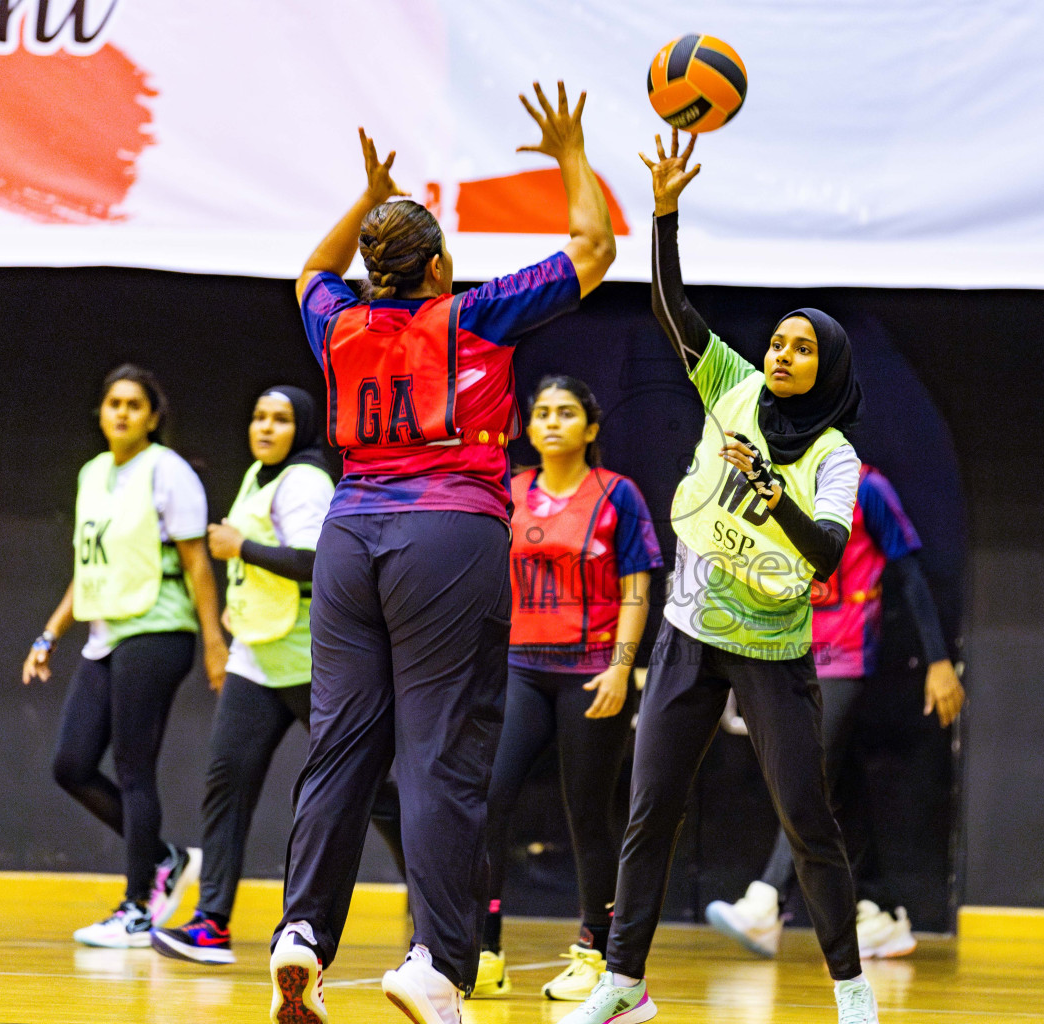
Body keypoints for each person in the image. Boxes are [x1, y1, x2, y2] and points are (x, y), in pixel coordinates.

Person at [268, 81, 616, 1024]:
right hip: (448, 534)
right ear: (438, 263)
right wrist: (570, 153)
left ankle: (300, 935)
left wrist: (366, 200)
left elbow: (308, 268)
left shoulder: (336, 322)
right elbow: (595, 250)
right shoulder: (472, 315)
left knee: (342, 745)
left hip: (349, 537)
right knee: (440, 756)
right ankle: (435, 964)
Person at [560, 130, 878, 1024]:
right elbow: (670, 305)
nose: (780, 355)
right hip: (687, 635)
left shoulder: (835, 455)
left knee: (809, 826)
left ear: (828, 370)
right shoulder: (730, 385)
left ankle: (851, 993)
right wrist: (664, 210)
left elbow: (823, 554)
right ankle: (624, 983)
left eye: (800, 349)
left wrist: (771, 493)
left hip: (772, 655)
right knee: (647, 809)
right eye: (776, 342)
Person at [150, 386, 406, 965]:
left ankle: (433, 897)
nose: (265, 427)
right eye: (259, 416)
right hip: (257, 657)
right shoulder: (260, 476)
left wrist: (241, 547)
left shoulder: (307, 481)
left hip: (314, 660)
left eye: (281, 419)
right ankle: (211, 924)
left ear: (303, 426)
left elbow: (317, 561)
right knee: (226, 783)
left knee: (371, 792)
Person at [704, 463, 965, 960]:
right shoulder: (774, 482)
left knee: (805, 775)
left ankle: (765, 904)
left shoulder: (868, 487)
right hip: (788, 650)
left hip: (845, 655)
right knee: (839, 785)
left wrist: (938, 659)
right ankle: (878, 911)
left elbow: (909, 575)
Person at [21, 364, 226, 948]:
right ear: (102, 412)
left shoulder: (168, 472)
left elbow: (195, 564)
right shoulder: (92, 474)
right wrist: (49, 633)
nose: (122, 412)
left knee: (135, 769)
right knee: (71, 764)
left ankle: (137, 906)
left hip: (159, 630)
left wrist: (213, 643)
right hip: (106, 632)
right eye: (113, 402)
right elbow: (89, 567)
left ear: (152, 417)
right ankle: (161, 857)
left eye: (135, 404)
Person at [475, 375, 662, 1001]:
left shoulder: (619, 495)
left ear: (592, 427)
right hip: (520, 667)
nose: (552, 421)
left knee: (587, 812)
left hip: (591, 671)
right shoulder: (509, 491)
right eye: (542, 413)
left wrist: (620, 665)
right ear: (527, 427)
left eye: (567, 412)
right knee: (489, 799)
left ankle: (595, 951)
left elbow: (639, 585)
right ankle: (483, 945)